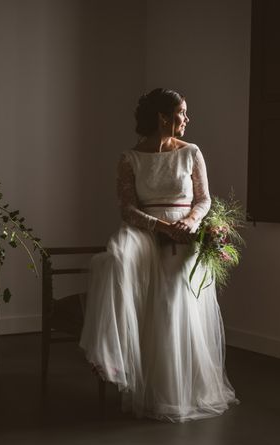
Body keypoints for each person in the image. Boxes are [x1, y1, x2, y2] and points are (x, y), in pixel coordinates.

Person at [80, 88, 237, 422]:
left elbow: (204, 199)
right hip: (146, 233)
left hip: (185, 234)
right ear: (164, 118)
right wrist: (161, 227)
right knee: (115, 260)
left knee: (173, 308)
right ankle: (118, 360)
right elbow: (127, 209)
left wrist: (192, 223)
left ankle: (179, 393)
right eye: (182, 112)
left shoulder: (192, 152)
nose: (187, 119)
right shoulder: (130, 158)